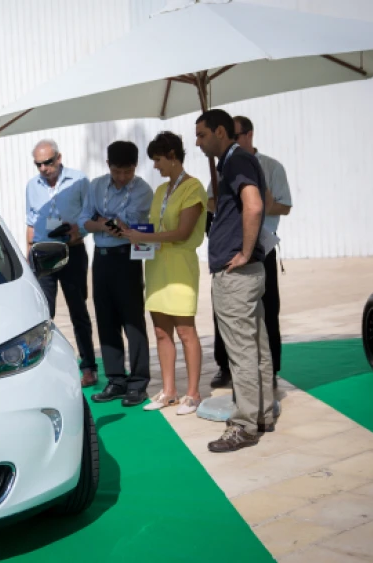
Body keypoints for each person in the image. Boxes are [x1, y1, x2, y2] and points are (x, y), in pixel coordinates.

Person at [195, 109, 275, 452]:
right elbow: (260, 202)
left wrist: (242, 251)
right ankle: (262, 414)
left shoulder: (236, 161)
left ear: (220, 132)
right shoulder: (236, 161)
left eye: (202, 135)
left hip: (237, 273)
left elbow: (255, 206)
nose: (198, 143)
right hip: (249, 272)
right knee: (257, 346)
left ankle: (244, 424)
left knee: (242, 351)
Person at [121, 132, 207, 415]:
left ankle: (193, 393)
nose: (155, 166)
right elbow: (154, 230)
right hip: (156, 266)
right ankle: (170, 391)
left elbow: (183, 232)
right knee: (160, 332)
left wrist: (147, 236)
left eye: (158, 160)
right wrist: (135, 236)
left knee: (185, 331)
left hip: (180, 267)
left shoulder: (193, 188)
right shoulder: (160, 191)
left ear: (172, 156)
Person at [207, 116, 292, 389]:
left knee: (266, 312)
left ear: (249, 134)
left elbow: (280, 206)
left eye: (237, 133)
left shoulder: (267, 166)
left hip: (259, 247)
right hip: (233, 250)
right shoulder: (224, 166)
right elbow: (212, 202)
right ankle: (226, 367)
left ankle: (267, 378)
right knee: (228, 315)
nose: (233, 139)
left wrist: (260, 205)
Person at [80, 141, 154, 407]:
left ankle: (138, 382)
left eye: (128, 171)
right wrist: (101, 223)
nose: (122, 177)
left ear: (135, 167)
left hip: (128, 259)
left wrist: (103, 220)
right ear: (108, 166)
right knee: (106, 320)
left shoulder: (144, 190)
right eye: (117, 171)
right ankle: (116, 379)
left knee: (133, 322)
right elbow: (84, 221)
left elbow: (126, 226)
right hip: (101, 260)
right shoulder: (97, 185)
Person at [25, 139, 98, 387]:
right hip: (44, 254)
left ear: (59, 158)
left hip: (73, 250)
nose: (43, 168)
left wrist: (79, 231)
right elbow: (31, 222)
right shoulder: (31, 186)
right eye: (38, 164)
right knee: (45, 313)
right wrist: (28, 256)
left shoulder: (79, 180)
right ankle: (43, 368)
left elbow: (90, 214)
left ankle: (89, 366)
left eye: (47, 162)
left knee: (79, 311)